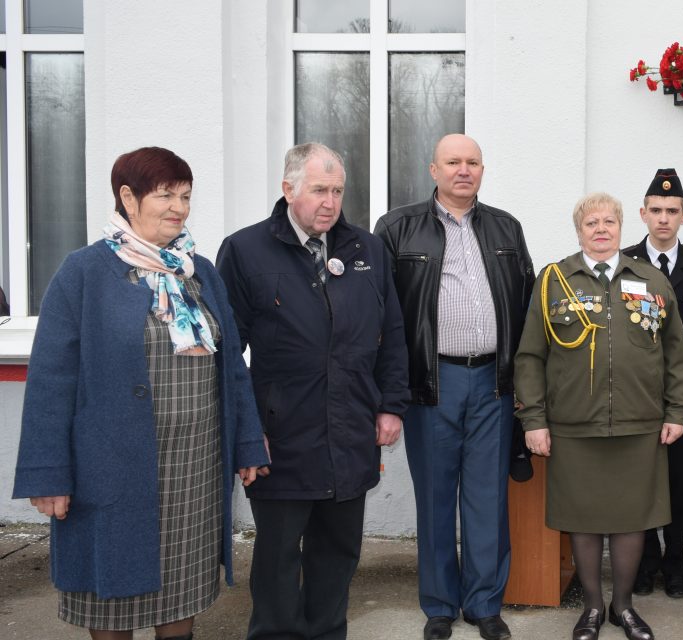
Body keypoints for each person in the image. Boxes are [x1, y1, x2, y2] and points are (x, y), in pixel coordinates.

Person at [12, 146, 270, 640]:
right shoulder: (83, 272)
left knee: (182, 587)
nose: (178, 206)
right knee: (111, 592)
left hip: (194, 466)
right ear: (127, 197)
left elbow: (231, 364)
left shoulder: (198, 273)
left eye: (186, 196)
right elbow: (50, 380)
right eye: (165, 194)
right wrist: (48, 475)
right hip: (110, 467)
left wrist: (248, 442)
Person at [216, 142, 410, 640]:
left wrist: (391, 405)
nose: (330, 201)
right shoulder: (244, 251)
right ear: (288, 190)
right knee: (279, 560)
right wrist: (245, 430)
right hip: (281, 436)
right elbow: (226, 353)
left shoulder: (366, 250)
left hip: (350, 431)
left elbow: (392, 333)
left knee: (338, 554)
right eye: (319, 190)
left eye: (338, 191)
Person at [374, 133, 534, 640]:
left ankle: (485, 604)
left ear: (482, 170)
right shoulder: (397, 228)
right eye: (453, 162)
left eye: (473, 162)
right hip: (432, 383)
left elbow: (527, 308)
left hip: (493, 382)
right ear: (433, 169)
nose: (464, 170)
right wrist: (390, 389)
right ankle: (440, 604)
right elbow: (381, 313)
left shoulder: (506, 227)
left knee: (488, 498)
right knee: (437, 498)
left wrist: (525, 384)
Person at [515, 192, 683, 640]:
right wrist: (533, 420)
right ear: (579, 230)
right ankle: (593, 608)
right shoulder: (554, 280)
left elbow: (677, 354)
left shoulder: (651, 281)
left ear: (620, 227)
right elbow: (530, 357)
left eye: (608, 221)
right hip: (574, 425)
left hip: (640, 423)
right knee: (584, 517)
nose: (600, 228)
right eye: (591, 222)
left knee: (633, 518)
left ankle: (624, 606)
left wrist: (677, 411)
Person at [621, 168, 683, 600]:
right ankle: (646, 559)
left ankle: (676, 559)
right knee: (640, 478)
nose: (663, 218)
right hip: (637, 391)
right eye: (655, 210)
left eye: (671, 211)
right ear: (642, 213)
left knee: (678, 479)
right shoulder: (623, 264)